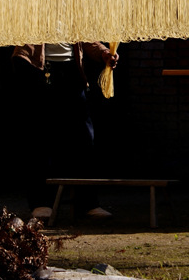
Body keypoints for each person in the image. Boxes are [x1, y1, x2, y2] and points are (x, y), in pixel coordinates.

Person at [11, 42, 118, 222]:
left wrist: (104, 53)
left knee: (84, 139)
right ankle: (41, 203)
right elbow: (23, 39)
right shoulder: (32, 13)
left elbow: (87, 40)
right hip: (42, 69)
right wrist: (22, 59)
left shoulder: (72, 14)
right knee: (43, 138)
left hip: (71, 71)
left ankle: (88, 203)